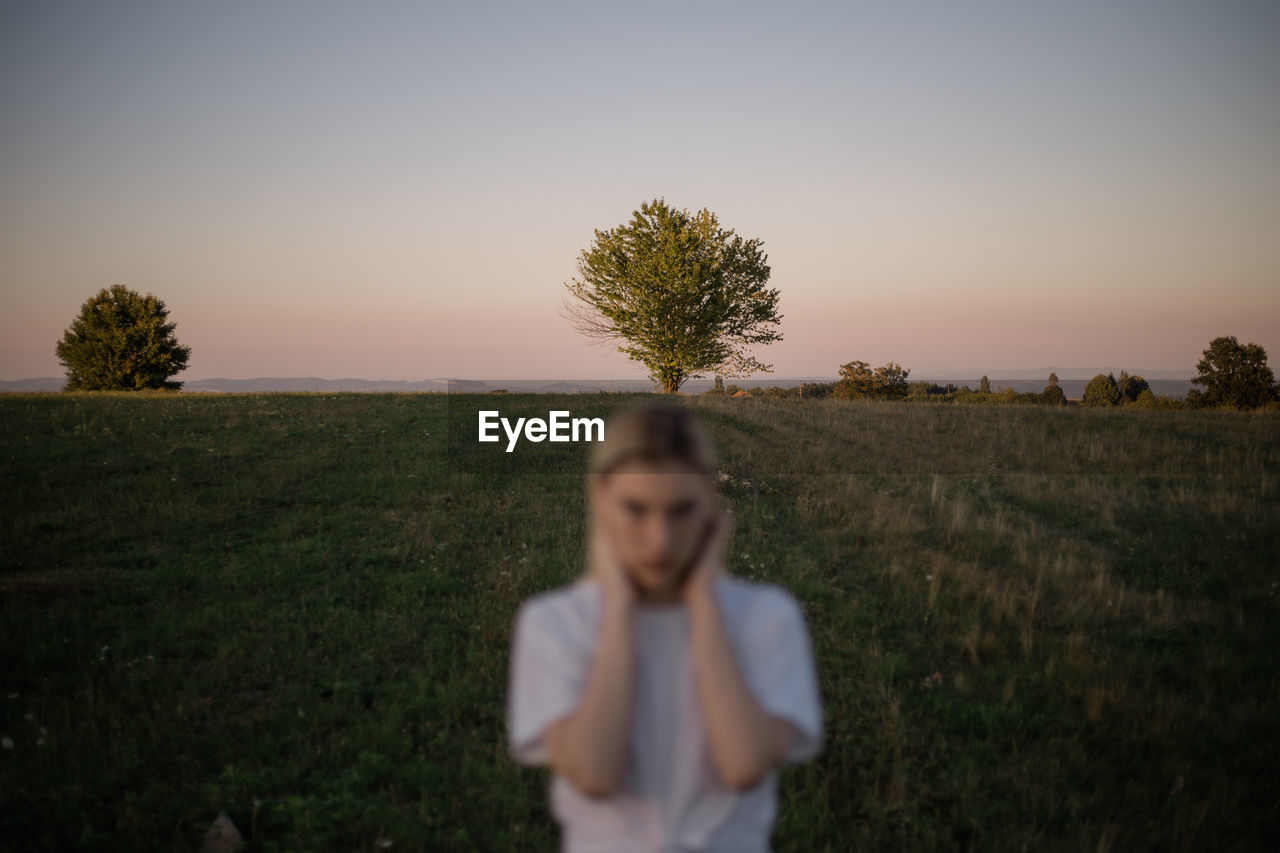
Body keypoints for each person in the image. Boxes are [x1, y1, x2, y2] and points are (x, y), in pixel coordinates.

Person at [506, 401, 824, 852]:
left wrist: (704, 606)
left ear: (710, 503)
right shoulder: (555, 623)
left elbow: (744, 763)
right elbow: (594, 773)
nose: (661, 538)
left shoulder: (767, 617)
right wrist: (618, 610)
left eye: (681, 510)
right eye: (636, 509)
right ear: (600, 498)